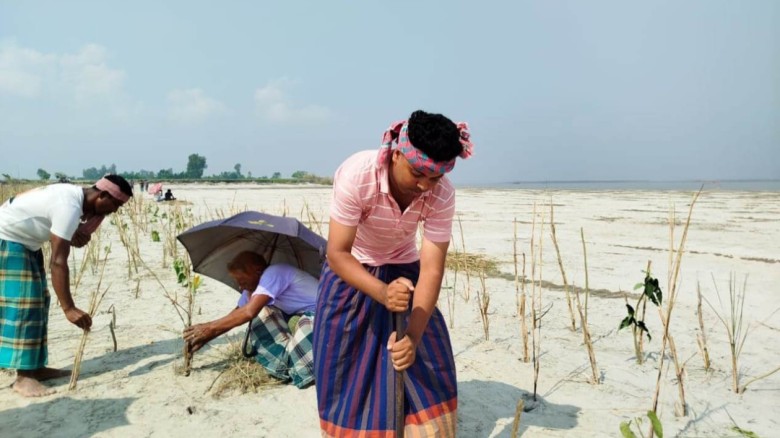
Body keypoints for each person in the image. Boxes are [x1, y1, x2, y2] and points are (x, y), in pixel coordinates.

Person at [313, 110, 473, 436]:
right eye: (417, 173)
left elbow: (431, 269)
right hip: (354, 269)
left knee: (425, 361)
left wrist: (413, 337)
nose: (424, 186)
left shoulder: (442, 193)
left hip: (405, 267)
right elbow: (337, 253)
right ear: (397, 154)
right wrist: (382, 292)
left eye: (434, 178)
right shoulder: (358, 175)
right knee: (346, 369)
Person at [0, 174, 132, 397]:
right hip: (8, 239)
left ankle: (35, 367)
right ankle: (24, 378)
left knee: (39, 302)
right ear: (102, 195)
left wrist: (72, 234)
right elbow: (58, 262)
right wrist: (69, 308)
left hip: (25, 242)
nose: (115, 210)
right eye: (115, 204)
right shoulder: (68, 206)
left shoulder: (73, 200)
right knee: (25, 306)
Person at [184, 251, 319, 388]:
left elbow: (249, 312)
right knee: (262, 315)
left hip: (321, 314)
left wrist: (209, 328)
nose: (240, 287)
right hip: (298, 317)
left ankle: (304, 372)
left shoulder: (275, 272)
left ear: (258, 271)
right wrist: (208, 336)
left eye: (242, 281)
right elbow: (237, 314)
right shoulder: (254, 288)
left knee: (303, 324)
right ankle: (284, 368)